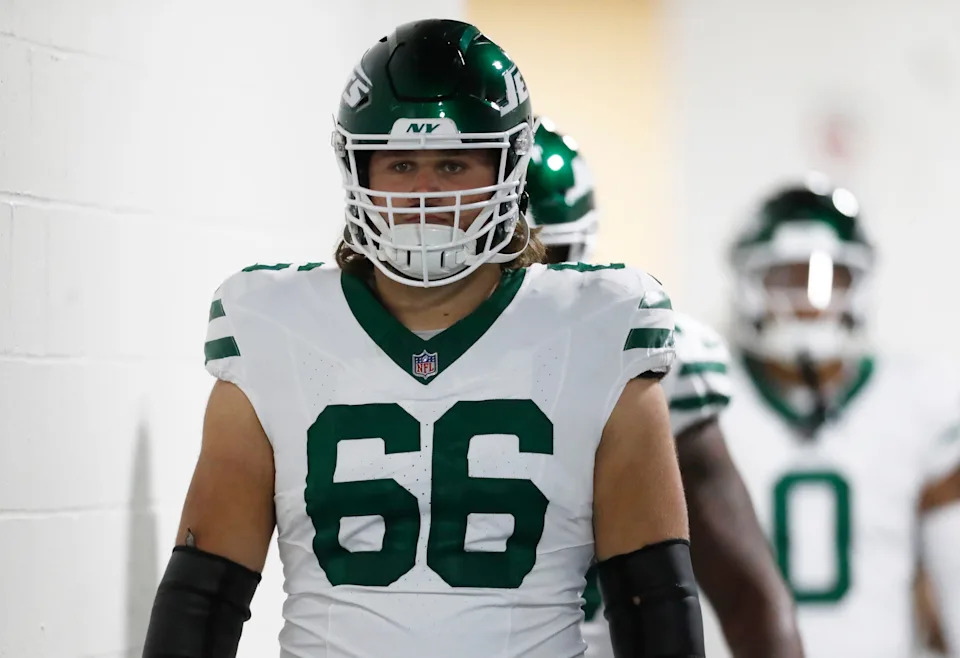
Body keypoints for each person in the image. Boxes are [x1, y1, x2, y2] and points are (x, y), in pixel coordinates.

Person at [141, 19, 705, 658]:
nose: (424, 194)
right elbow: (204, 595)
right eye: (402, 163)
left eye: (454, 163)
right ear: (360, 169)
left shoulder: (599, 328)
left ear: (507, 167)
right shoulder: (272, 327)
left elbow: (652, 600)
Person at [526, 118, 804, 658]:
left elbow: (750, 598)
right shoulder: (356, 350)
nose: (526, 287)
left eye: (545, 263)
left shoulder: (655, 357)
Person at [720, 175, 960, 657]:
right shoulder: (703, 393)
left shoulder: (921, 401)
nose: (811, 302)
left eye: (834, 278)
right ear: (750, 283)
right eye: (788, 278)